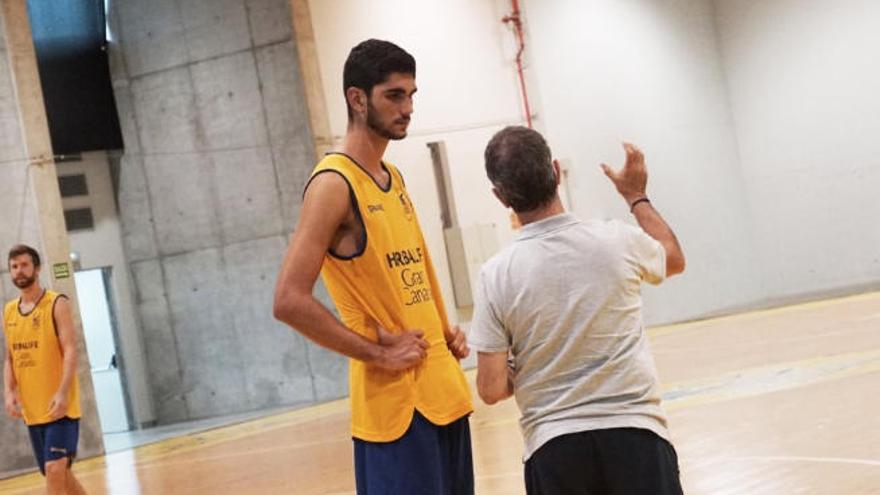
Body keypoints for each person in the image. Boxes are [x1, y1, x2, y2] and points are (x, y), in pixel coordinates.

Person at [273, 39, 474, 494]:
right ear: (357, 98)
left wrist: (443, 328)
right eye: (394, 95)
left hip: (442, 394)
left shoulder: (393, 177)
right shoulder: (332, 184)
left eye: (411, 95)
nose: (407, 108)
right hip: (397, 410)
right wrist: (379, 353)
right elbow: (287, 300)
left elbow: (410, 275)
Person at [469, 126, 686, 495]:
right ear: (555, 171)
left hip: (554, 451)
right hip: (638, 438)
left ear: (500, 196)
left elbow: (490, 389)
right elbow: (673, 257)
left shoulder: (496, 275)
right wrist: (636, 196)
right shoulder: (616, 240)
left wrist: (522, 365)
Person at [3, 244, 86, 495]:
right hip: (32, 410)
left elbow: (70, 350)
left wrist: (62, 392)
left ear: (37, 268)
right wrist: (9, 392)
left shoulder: (56, 303)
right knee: (60, 473)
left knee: (54, 470)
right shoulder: (8, 311)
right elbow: (10, 357)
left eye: (25, 265)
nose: (19, 271)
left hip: (60, 408)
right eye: (14, 267)